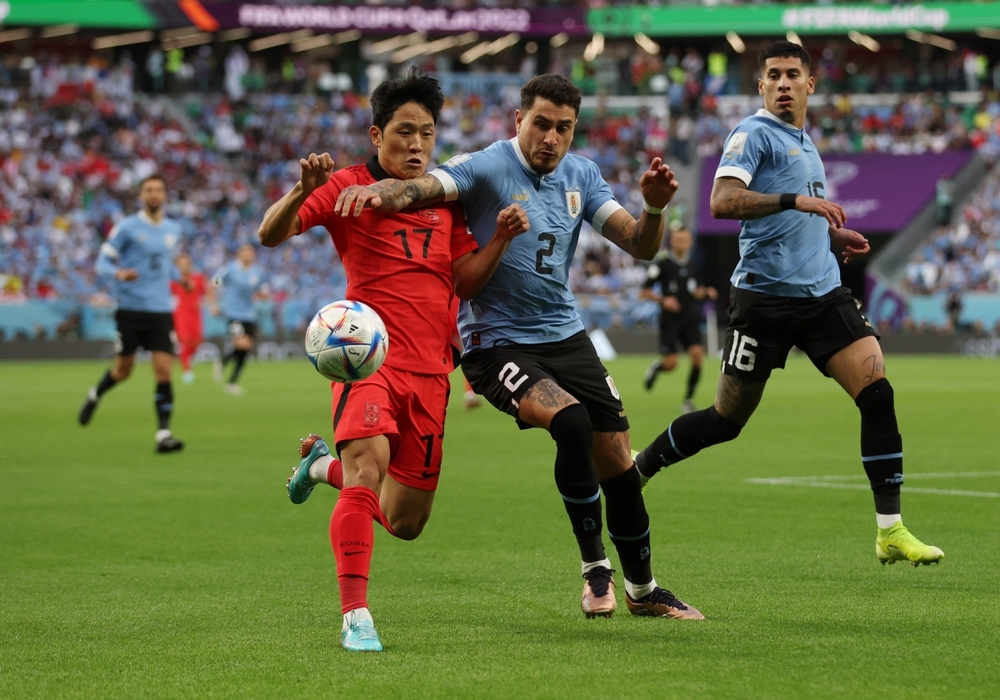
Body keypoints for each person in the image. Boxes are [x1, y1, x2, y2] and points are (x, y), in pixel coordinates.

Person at [335, 74, 705, 621]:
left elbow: (638, 244)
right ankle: (595, 573)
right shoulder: (486, 166)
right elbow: (423, 187)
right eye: (541, 125)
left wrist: (653, 211)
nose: (551, 138)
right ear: (519, 121)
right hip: (496, 343)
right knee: (572, 423)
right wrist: (377, 192)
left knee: (619, 462)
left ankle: (644, 590)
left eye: (564, 128)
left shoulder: (582, 175)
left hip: (566, 335)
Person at [632, 41, 944, 566]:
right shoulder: (752, 134)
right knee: (726, 419)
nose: (782, 82)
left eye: (792, 74)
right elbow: (722, 201)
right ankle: (637, 469)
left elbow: (797, 219)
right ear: (761, 86)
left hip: (823, 296)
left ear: (809, 85)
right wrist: (796, 201)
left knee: (877, 392)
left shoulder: (806, 143)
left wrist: (828, 238)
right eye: (772, 74)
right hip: (764, 301)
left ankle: (890, 530)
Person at [257, 69, 529, 652]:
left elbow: (466, 282)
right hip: (367, 361)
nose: (417, 145)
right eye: (405, 132)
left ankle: (317, 468)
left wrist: (500, 240)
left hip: (434, 372)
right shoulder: (347, 185)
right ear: (377, 134)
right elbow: (269, 234)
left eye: (427, 134)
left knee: (405, 521)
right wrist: (304, 191)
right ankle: (356, 616)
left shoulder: (442, 197)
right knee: (366, 475)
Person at [78, 174, 185, 453]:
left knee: (164, 371)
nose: (154, 194)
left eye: (159, 189)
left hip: (161, 310)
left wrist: (180, 278)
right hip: (130, 309)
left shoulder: (173, 229)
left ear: (164, 195)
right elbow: (102, 261)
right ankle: (95, 394)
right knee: (123, 371)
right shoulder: (126, 227)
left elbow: (165, 265)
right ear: (141, 195)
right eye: (149, 190)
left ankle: (163, 434)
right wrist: (118, 273)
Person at [641, 225, 717, 413]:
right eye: (678, 239)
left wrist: (707, 292)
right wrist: (663, 300)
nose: (681, 243)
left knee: (698, 357)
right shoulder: (662, 263)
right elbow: (644, 291)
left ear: (690, 242)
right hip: (670, 319)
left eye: (684, 239)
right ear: (671, 241)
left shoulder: (691, 265)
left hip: (690, 317)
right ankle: (657, 368)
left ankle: (688, 401)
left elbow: (696, 291)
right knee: (671, 364)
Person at [212, 243, 267, 395]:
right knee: (242, 344)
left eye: (250, 253)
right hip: (233, 313)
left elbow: (262, 290)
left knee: (246, 349)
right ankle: (223, 363)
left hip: (250, 315)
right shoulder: (230, 269)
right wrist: (214, 303)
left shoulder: (258, 272)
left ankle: (231, 381)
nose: (248, 255)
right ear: (239, 254)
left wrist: (263, 295)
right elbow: (214, 282)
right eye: (245, 252)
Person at [170, 252, 214, 384]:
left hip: (195, 315)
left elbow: (209, 293)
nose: (184, 266)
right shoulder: (174, 280)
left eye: (186, 263)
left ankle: (186, 361)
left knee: (196, 343)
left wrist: (203, 302)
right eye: (181, 264)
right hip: (181, 314)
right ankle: (187, 371)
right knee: (184, 341)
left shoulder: (198, 278)